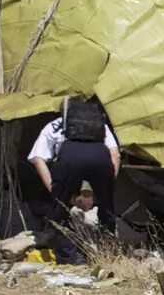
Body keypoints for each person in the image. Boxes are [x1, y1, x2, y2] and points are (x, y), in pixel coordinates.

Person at [27, 94, 121, 259]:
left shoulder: (52, 126)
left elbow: (37, 159)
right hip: (100, 157)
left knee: (59, 213)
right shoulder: (99, 125)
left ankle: (69, 258)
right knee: (107, 211)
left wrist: (54, 190)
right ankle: (109, 255)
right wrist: (106, 186)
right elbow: (115, 155)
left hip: (69, 158)